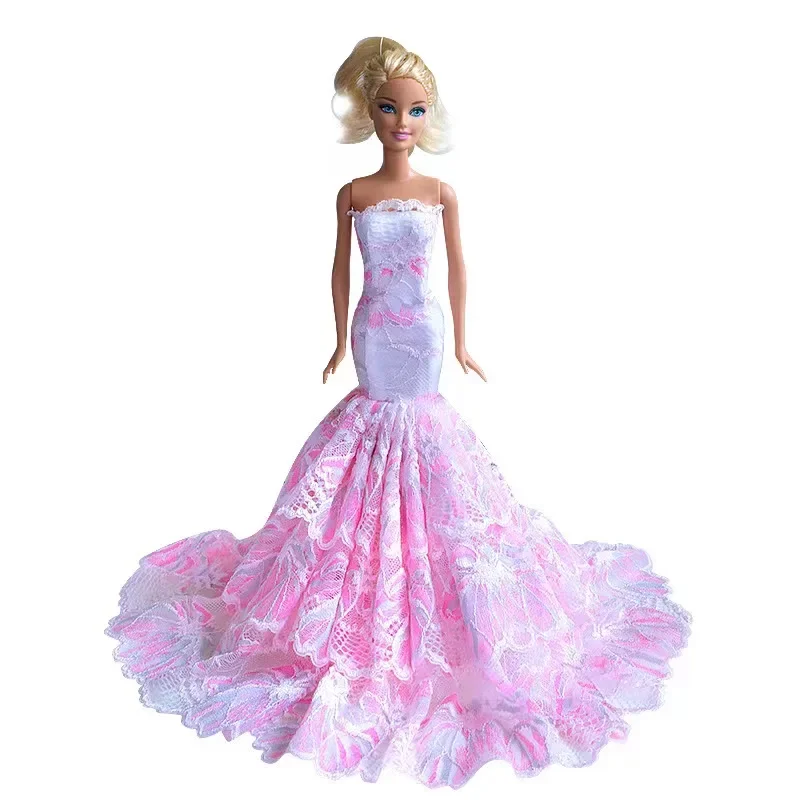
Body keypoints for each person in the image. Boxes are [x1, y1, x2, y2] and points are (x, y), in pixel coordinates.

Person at [106, 36, 692, 789]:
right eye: (388, 108)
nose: (401, 122)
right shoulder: (352, 193)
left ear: (429, 114)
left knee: (428, 439)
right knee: (367, 438)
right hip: (374, 333)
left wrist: (466, 343)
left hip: (422, 333)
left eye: (415, 110)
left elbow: (458, 268)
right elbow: (339, 270)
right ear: (369, 112)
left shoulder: (441, 192)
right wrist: (334, 341)